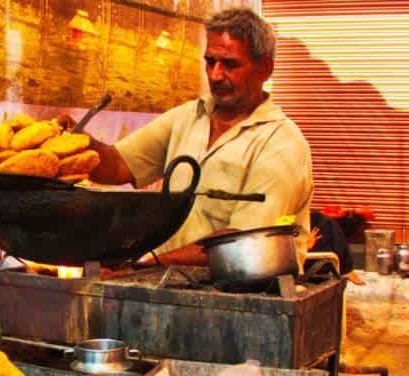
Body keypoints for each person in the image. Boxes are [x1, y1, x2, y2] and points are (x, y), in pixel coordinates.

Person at [88, 7, 313, 268]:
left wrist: (147, 263)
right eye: (210, 62)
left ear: (265, 68)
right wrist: (72, 143)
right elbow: (117, 164)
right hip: (166, 287)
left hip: (243, 301)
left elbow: (242, 244)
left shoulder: (281, 143)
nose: (216, 75)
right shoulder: (188, 117)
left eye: (230, 64)